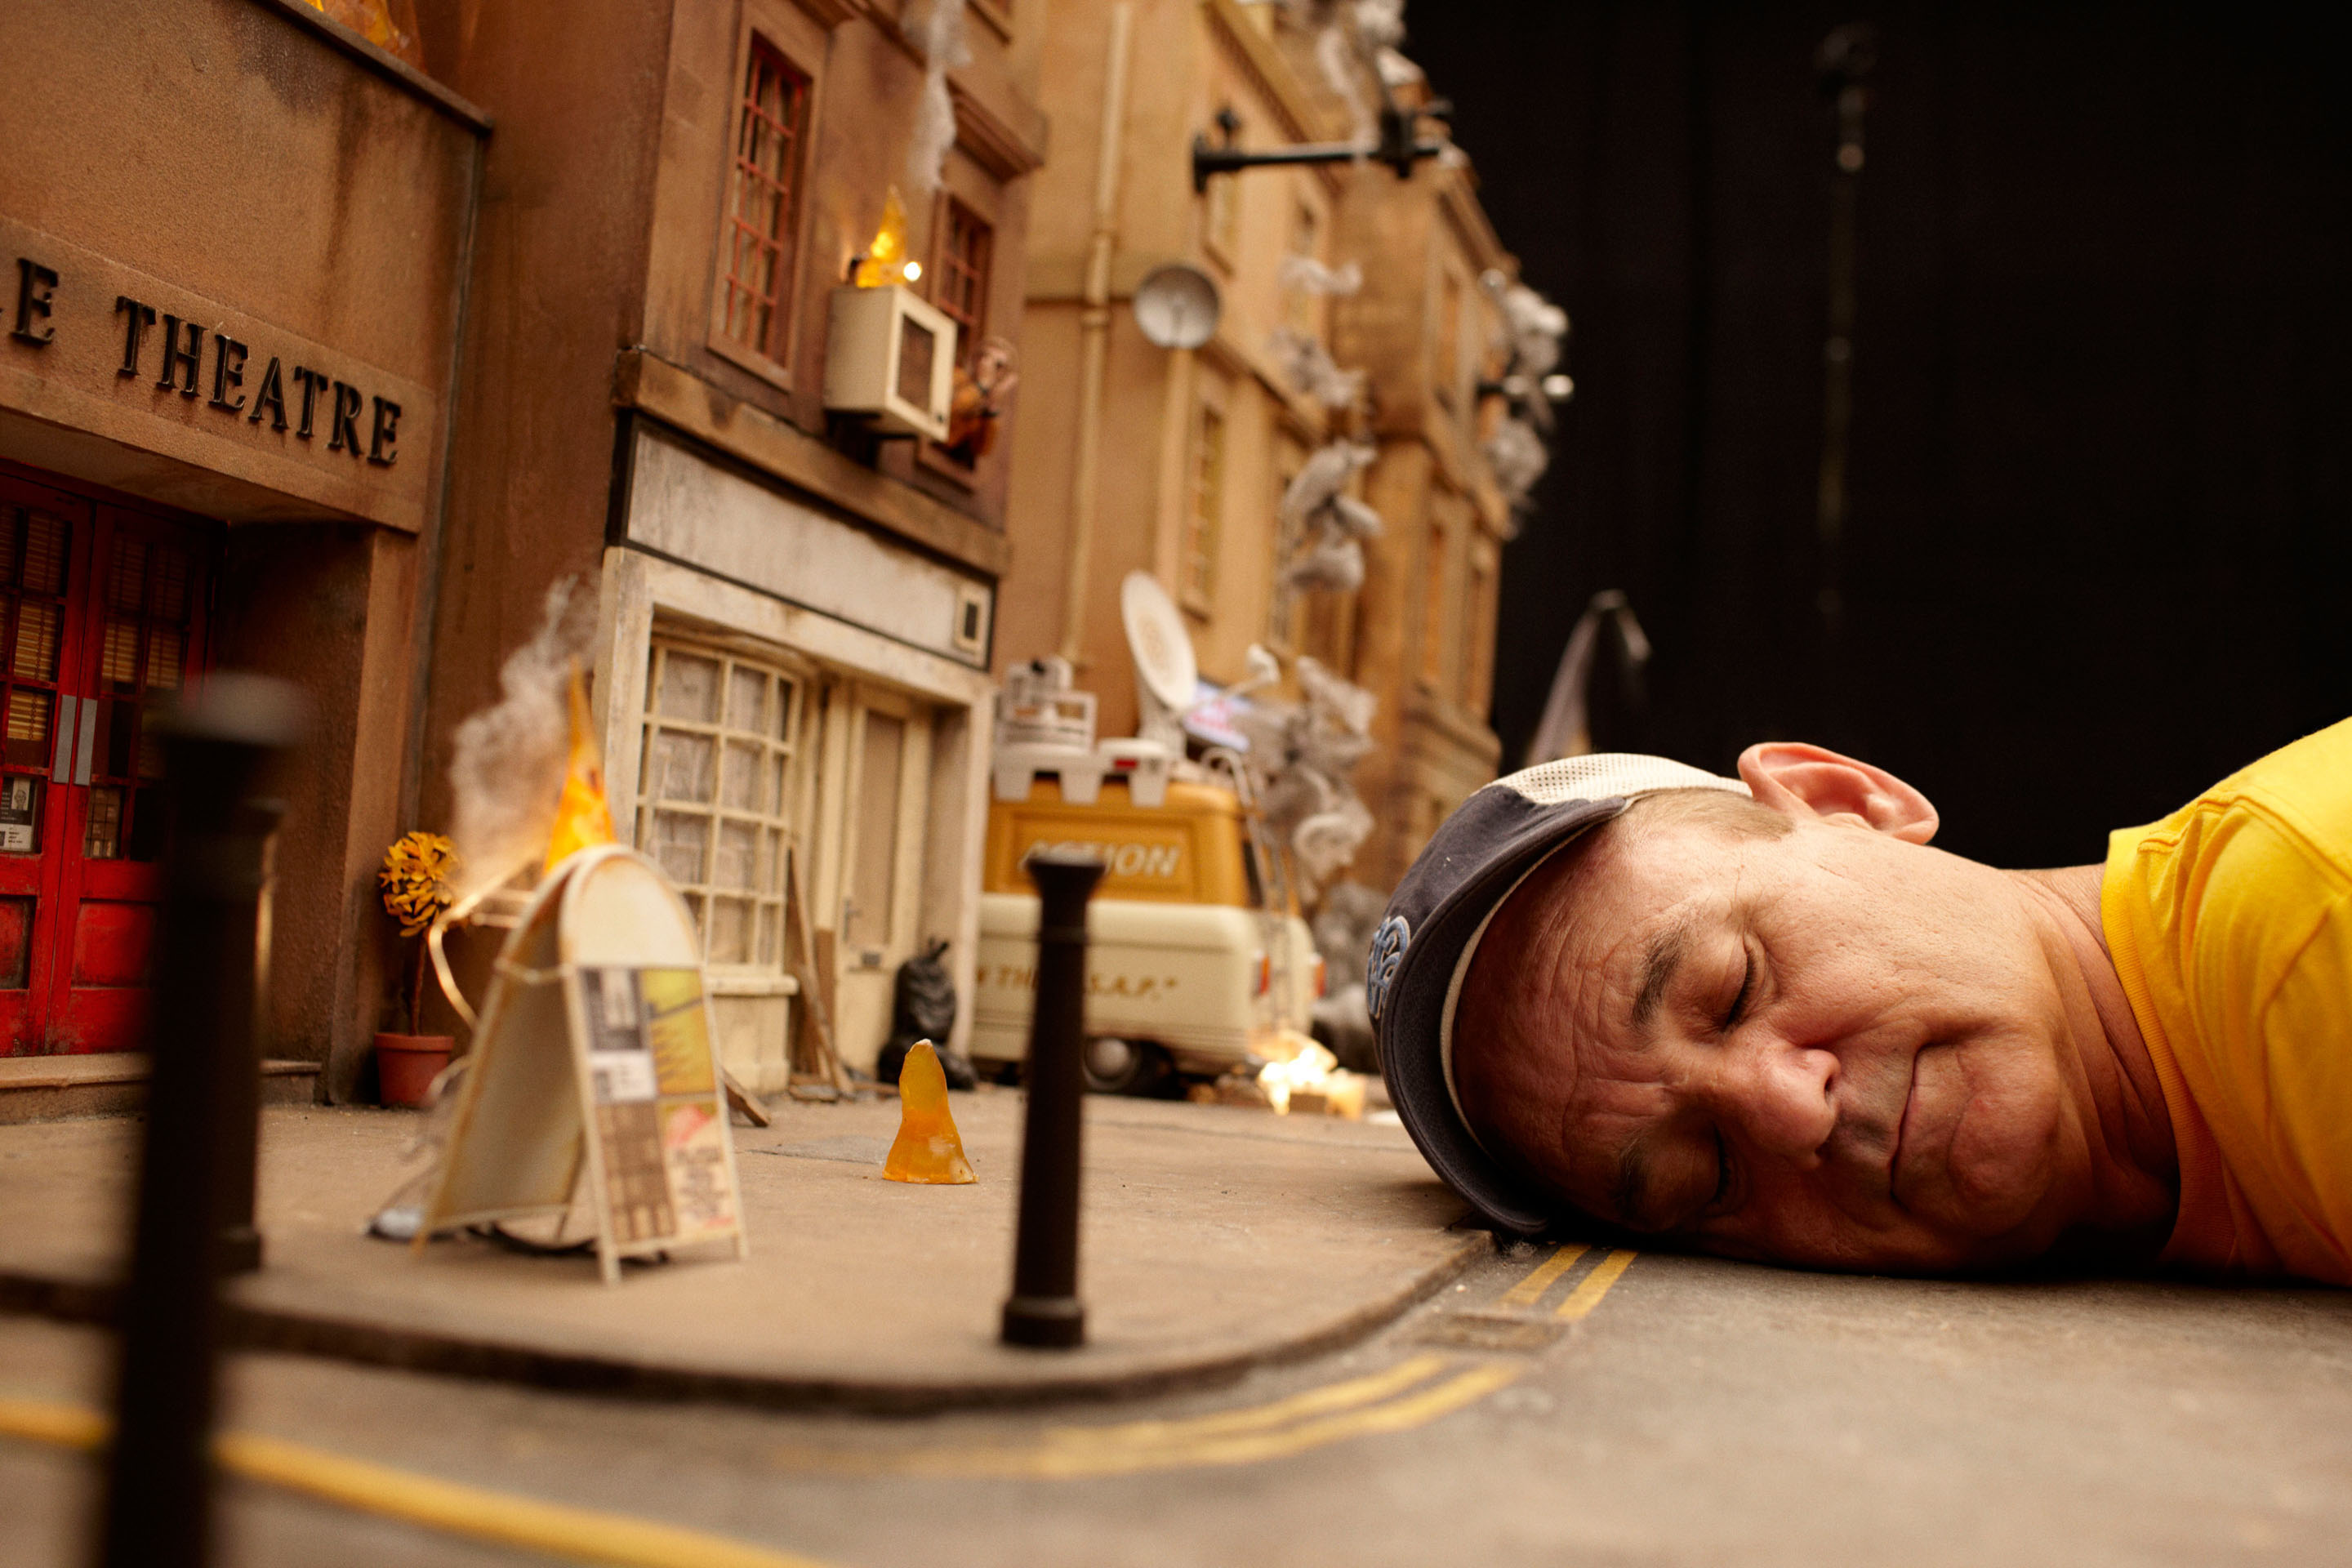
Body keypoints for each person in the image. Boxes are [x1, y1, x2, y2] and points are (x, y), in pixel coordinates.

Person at [1367, 722, 2351, 1285]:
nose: (1793, 1112)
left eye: (1734, 988)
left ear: (1847, 801)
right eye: (1706, 1176)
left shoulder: (2313, 917)